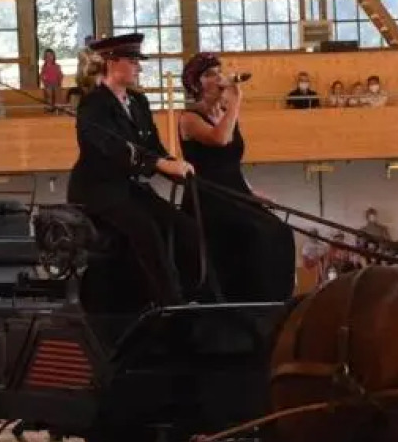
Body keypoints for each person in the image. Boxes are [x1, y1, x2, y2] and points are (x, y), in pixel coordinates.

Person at [66, 34, 203, 307]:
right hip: (99, 190)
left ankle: (193, 294)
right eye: (133, 61)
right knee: (146, 229)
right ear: (111, 62)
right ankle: (169, 302)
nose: (139, 67)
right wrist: (158, 164)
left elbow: (151, 145)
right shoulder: (93, 105)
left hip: (129, 188)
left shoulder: (138, 103)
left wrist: (175, 167)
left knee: (184, 227)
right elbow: (112, 149)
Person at [178, 52, 296, 303]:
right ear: (195, 83)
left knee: (280, 231)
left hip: (235, 190)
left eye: (219, 72)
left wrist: (251, 192)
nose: (219, 78)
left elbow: (232, 162)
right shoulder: (189, 118)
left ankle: (277, 300)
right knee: (257, 234)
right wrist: (235, 103)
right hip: (210, 196)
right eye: (210, 74)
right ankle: (248, 298)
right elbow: (219, 139)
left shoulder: (224, 113)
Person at [69, 36, 100, 104]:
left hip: (93, 79)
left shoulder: (97, 53)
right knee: (85, 94)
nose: (90, 44)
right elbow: (85, 62)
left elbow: (97, 63)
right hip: (83, 78)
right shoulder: (82, 53)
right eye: (89, 42)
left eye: (92, 42)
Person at [40, 48, 64, 112]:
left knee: (57, 91)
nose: (49, 57)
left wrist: (60, 81)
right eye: (47, 56)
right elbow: (42, 75)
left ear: (53, 56)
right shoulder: (44, 67)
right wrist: (44, 82)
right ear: (45, 58)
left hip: (56, 83)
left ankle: (58, 105)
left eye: (50, 55)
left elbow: (60, 75)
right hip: (48, 84)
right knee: (49, 92)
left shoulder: (57, 66)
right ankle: (49, 106)